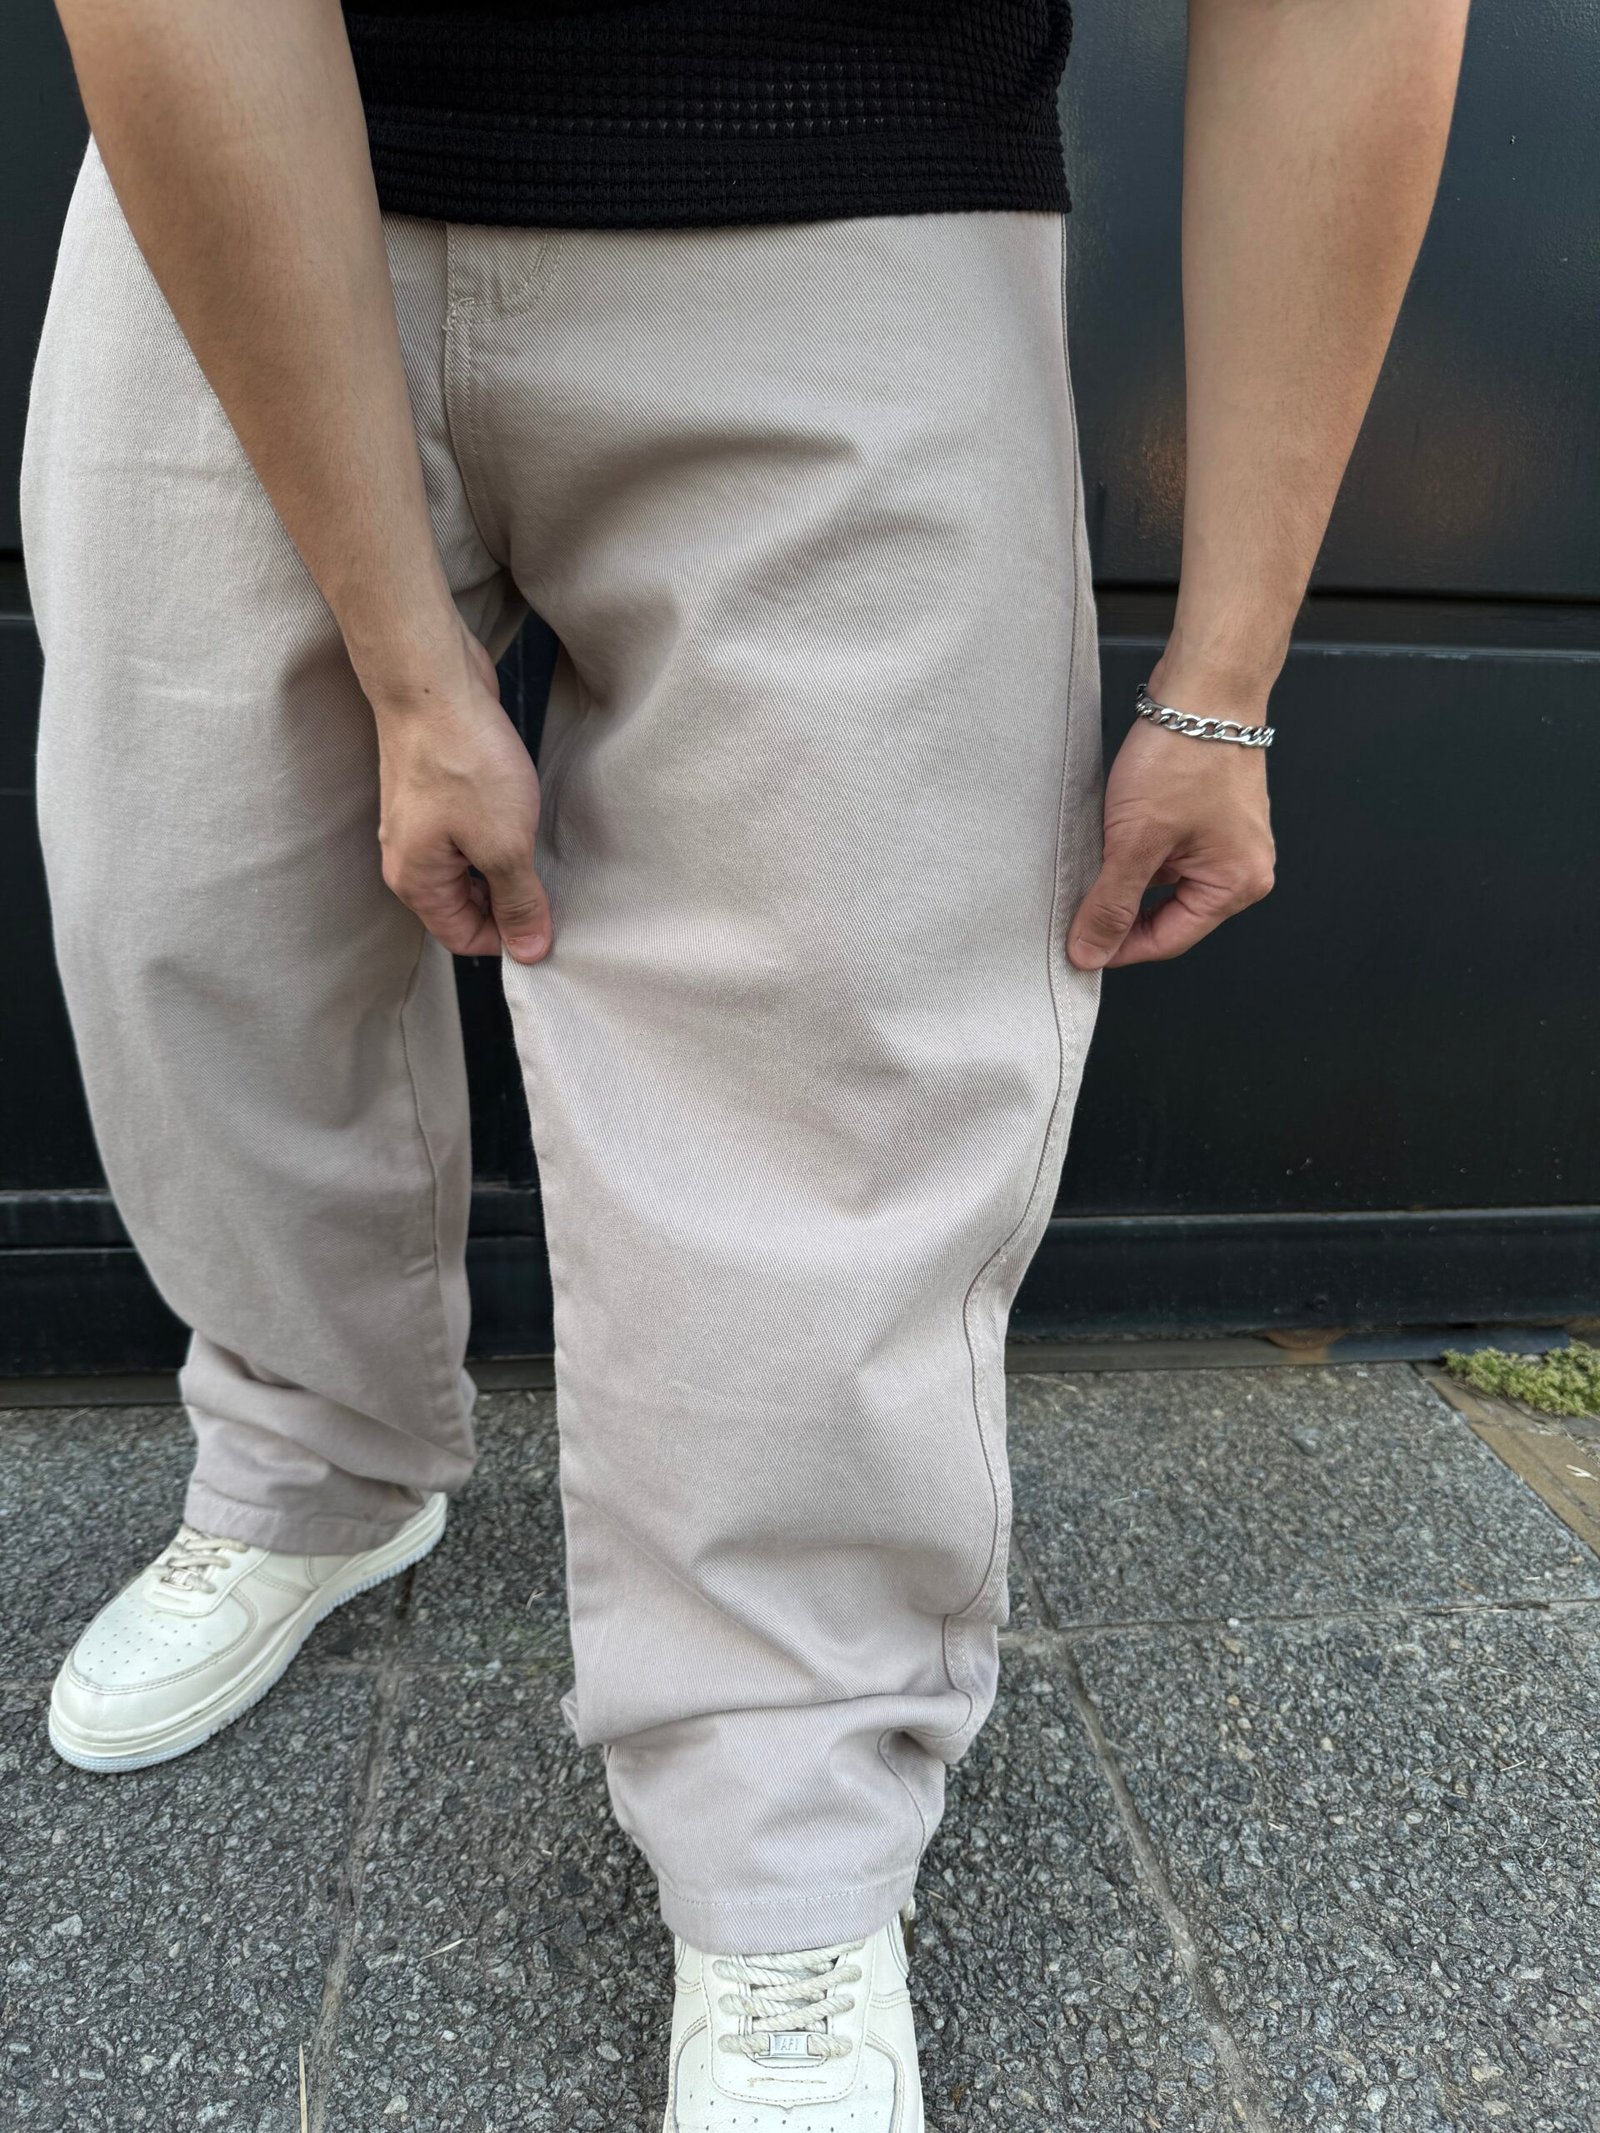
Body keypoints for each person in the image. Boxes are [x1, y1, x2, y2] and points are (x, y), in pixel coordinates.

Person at [24, 1, 1467, 2123]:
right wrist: (410, 673)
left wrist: (1223, 674)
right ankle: (310, 1464)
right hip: (231, 161)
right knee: (193, 908)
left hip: (849, 178)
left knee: (824, 1060)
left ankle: (786, 1822)